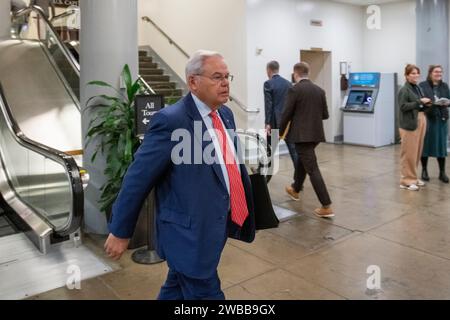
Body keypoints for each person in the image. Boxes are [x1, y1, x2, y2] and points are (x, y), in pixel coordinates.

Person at [104, 50, 255, 300]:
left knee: (177, 286)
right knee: (205, 291)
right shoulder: (171, 121)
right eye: (217, 76)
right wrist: (121, 230)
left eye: (228, 76)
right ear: (193, 82)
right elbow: (137, 178)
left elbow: (228, 165)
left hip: (215, 224)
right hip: (188, 233)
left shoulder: (225, 115)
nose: (225, 83)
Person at [280, 62, 334, 218]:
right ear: (307, 73)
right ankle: (295, 189)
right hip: (315, 135)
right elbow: (325, 115)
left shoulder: (294, 89)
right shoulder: (319, 90)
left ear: (295, 73)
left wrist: (279, 133)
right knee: (302, 162)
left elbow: (286, 113)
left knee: (312, 169)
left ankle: (326, 205)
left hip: (301, 136)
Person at [398, 64, 432, 191]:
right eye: (412, 73)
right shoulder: (404, 90)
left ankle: (413, 177)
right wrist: (419, 102)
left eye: (417, 73)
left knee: (417, 151)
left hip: (420, 119)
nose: (415, 75)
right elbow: (403, 107)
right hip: (409, 124)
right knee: (409, 153)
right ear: (406, 76)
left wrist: (428, 104)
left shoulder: (417, 88)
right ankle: (405, 181)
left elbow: (419, 104)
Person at [264, 61, 298, 170]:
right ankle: (298, 180)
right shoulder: (289, 84)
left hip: (275, 122)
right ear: (277, 69)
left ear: (269, 70)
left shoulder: (268, 83)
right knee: (293, 151)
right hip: (288, 123)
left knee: (269, 151)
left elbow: (268, 105)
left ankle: (263, 178)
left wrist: (267, 123)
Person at [419, 65, 450, 183]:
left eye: (440, 72)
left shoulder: (445, 85)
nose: (439, 74)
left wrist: (447, 103)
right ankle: (424, 170)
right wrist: (430, 103)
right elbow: (420, 101)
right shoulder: (422, 85)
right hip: (428, 118)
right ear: (430, 73)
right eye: (436, 71)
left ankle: (442, 172)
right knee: (425, 145)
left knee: (441, 146)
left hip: (441, 119)